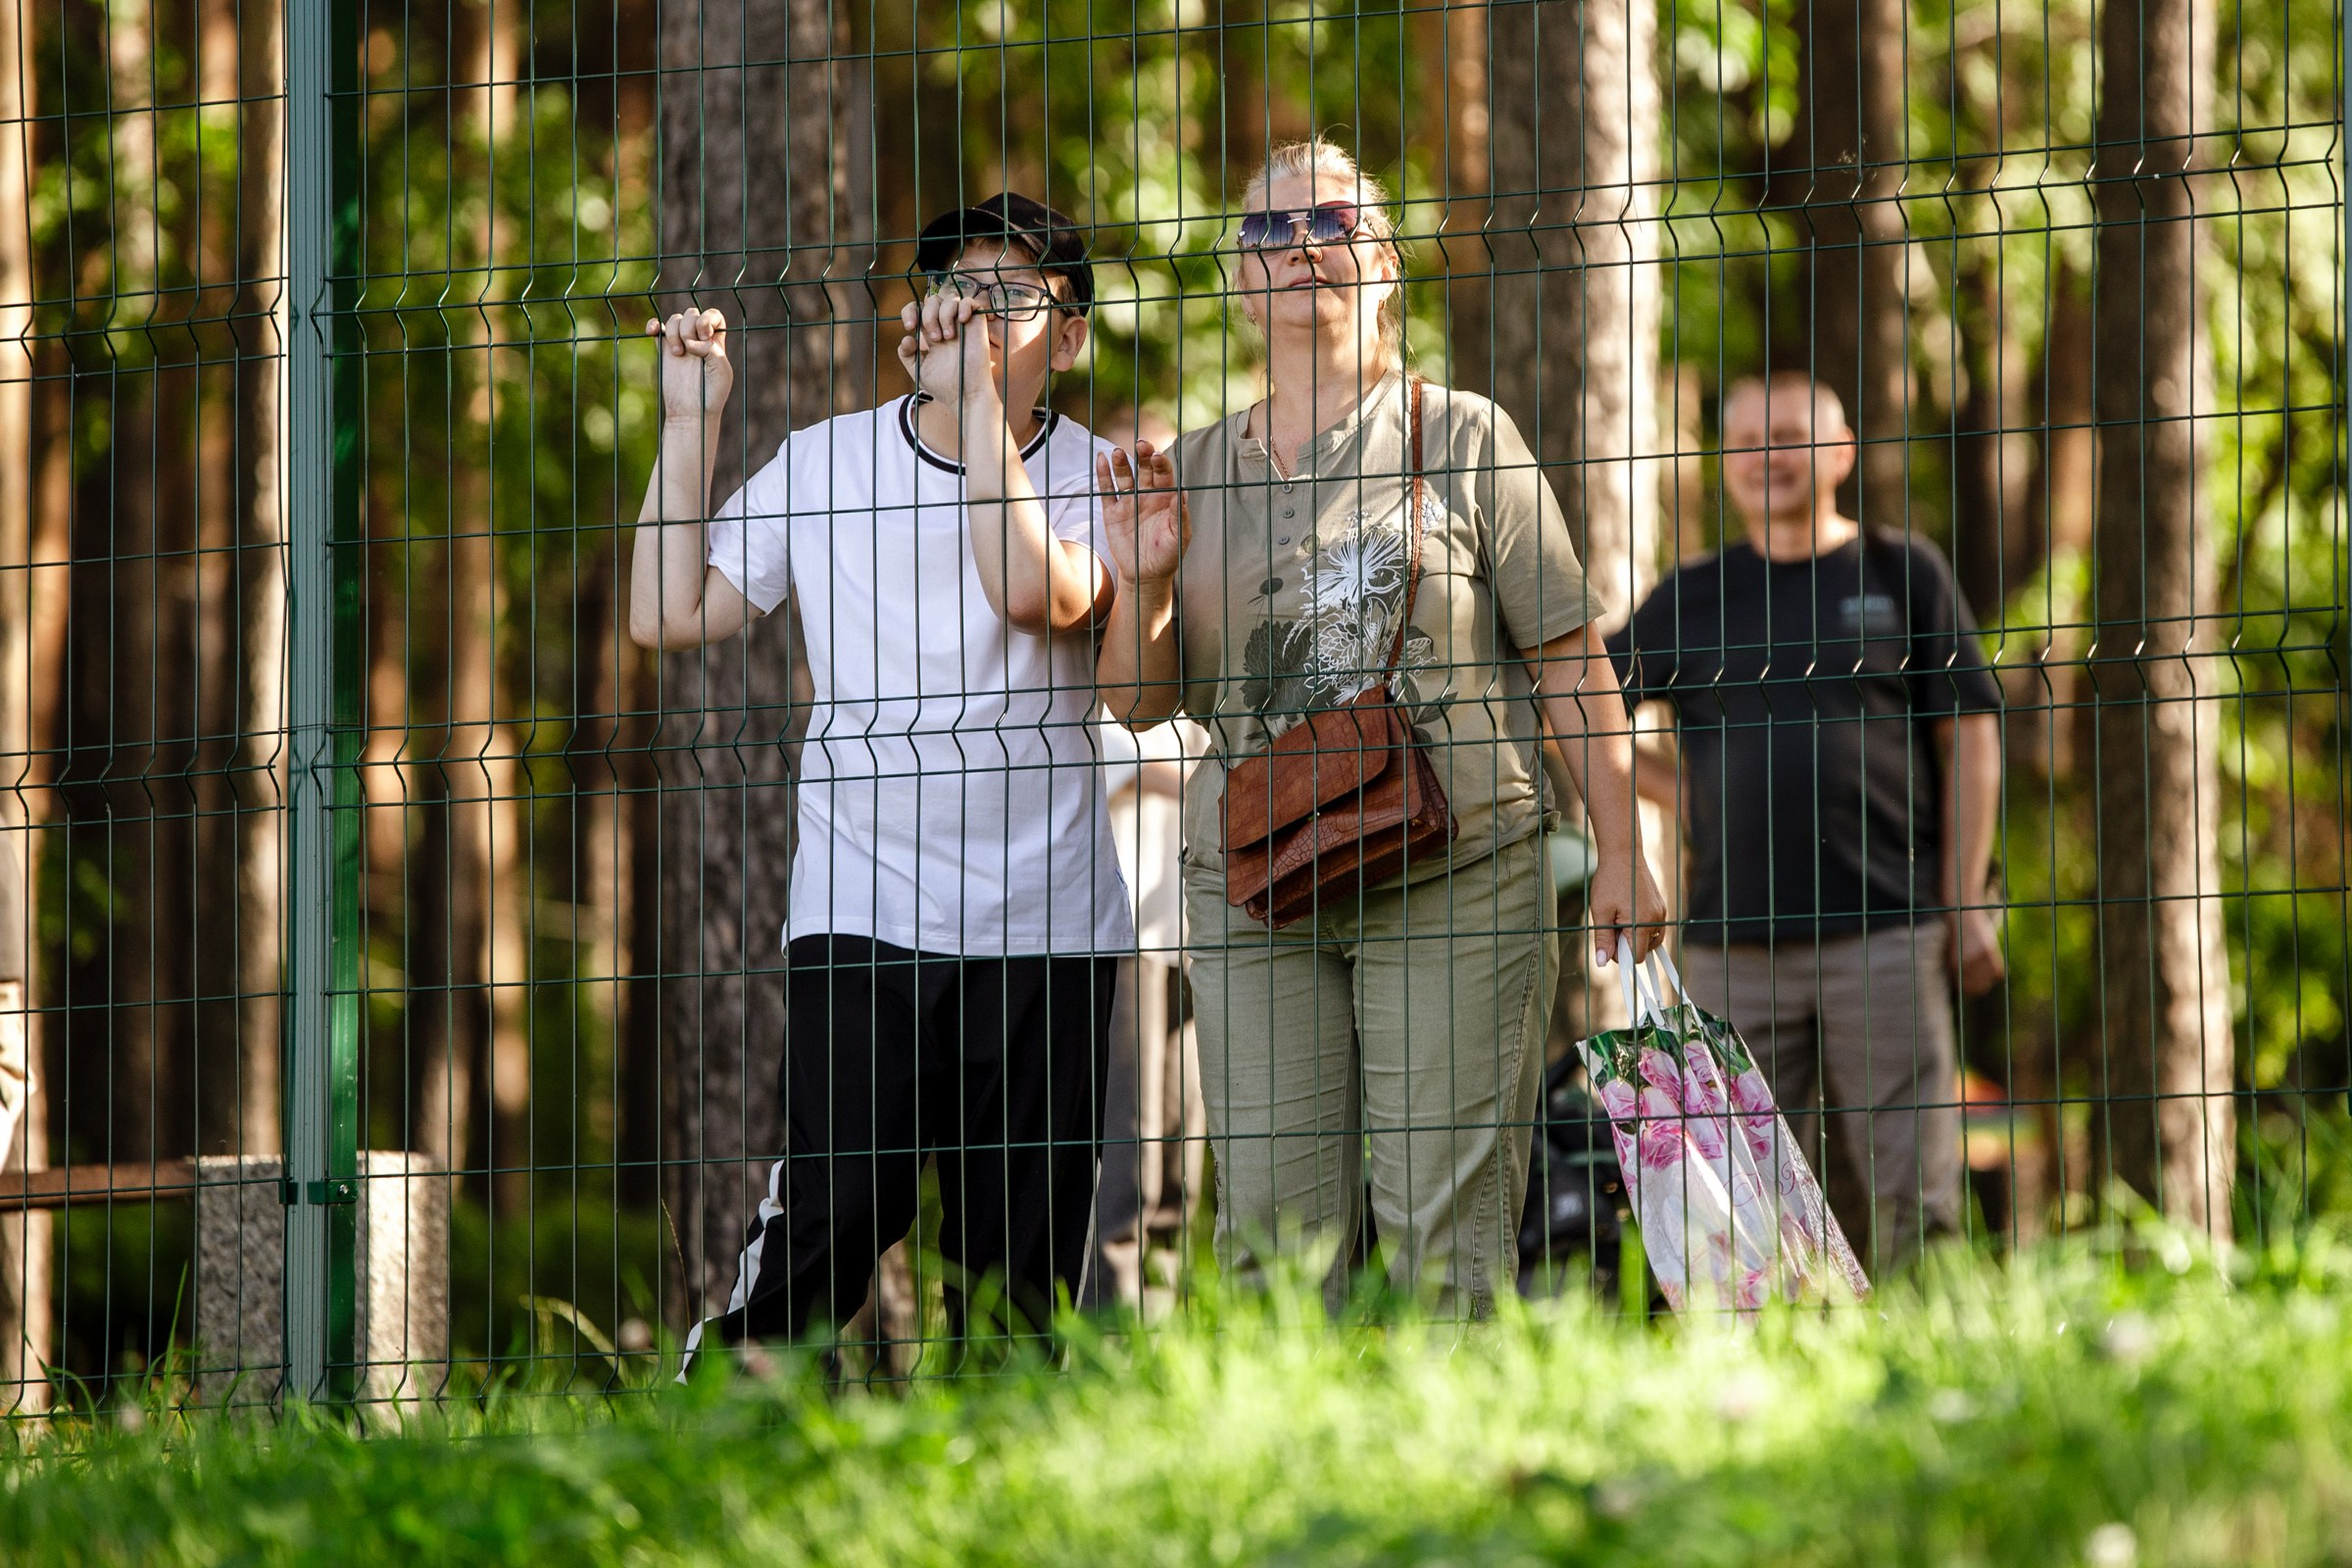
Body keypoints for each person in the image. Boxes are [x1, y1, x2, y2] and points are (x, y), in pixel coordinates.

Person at [1095, 138, 1667, 1315]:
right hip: (1257, 884)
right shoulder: (1190, 468)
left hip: (1452, 869)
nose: (1303, 247)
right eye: (1270, 230)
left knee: (1440, 1232)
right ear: (1238, 283)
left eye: (1335, 223)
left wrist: (1623, 848)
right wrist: (1145, 583)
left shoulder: (1463, 436)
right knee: (1270, 1241)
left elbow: (1569, 659)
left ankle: (1446, 1482)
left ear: (1388, 263)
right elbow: (1140, 705)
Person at [633, 193, 1134, 1362]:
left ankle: (1002, 1481)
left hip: (1048, 921)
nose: (977, 317)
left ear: (1068, 339)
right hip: (864, 910)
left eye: (1014, 300)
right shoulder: (825, 461)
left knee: (1020, 1262)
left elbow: (1036, 594)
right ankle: (723, 1406)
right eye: (959, 292)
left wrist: (975, 420)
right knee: (836, 1214)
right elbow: (669, 612)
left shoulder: (1102, 475)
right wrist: (690, 421)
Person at [1607, 370, 2006, 1274]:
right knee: (1749, 1193)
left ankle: (1932, 1363)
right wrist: (1682, 793)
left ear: (1838, 452)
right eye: (1745, 442)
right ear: (1725, 465)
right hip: (1730, 943)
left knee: (1917, 1185)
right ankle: (1780, 1380)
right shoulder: (1694, 594)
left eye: (1788, 437)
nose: (1765, 458)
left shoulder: (1903, 572)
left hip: (1890, 930)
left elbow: (1973, 736)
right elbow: (1588, 706)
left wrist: (1966, 898)